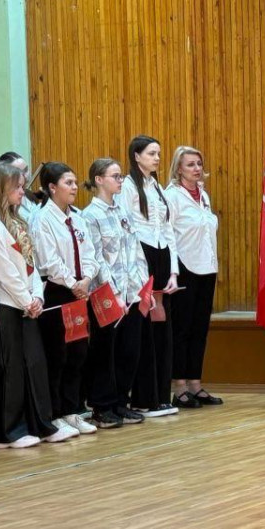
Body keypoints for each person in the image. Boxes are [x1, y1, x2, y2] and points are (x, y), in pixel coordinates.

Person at [0, 163, 74, 447]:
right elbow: (2, 268)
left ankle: (40, 423)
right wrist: (26, 299)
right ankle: (8, 431)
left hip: (27, 300)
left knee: (35, 364)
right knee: (11, 369)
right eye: (17, 187)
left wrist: (37, 296)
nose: (22, 191)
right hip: (6, 302)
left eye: (22, 186)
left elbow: (31, 262)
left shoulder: (17, 219)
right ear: (0, 188)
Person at [31, 162, 102, 435]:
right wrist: (74, 284)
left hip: (79, 291)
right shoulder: (42, 219)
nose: (74, 187)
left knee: (78, 352)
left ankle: (72, 411)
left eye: (74, 182)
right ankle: (55, 413)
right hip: (57, 292)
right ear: (52, 187)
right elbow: (49, 261)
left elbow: (90, 253)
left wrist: (87, 279)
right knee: (57, 354)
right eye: (68, 183)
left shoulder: (78, 217)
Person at [82, 158, 150, 427]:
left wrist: (142, 285)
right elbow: (96, 257)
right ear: (99, 180)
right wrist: (114, 293)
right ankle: (102, 406)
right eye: (115, 176)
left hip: (131, 293)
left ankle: (121, 401)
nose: (120, 181)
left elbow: (135, 248)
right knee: (105, 351)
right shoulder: (90, 215)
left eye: (121, 176)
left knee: (128, 350)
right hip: (107, 295)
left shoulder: (122, 211)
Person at [121, 135, 180, 417]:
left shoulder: (156, 186)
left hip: (161, 256)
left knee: (161, 327)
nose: (157, 158)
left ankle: (160, 395)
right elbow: (127, 230)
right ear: (136, 156)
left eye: (158, 153)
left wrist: (173, 271)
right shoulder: (128, 186)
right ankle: (143, 398)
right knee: (143, 329)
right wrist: (139, 271)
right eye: (151, 153)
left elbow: (168, 230)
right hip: (140, 257)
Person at [165, 146, 222, 408]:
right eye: (190, 164)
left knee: (200, 328)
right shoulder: (172, 196)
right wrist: (173, 271)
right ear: (179, 168)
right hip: (185, 267)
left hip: (207, 267)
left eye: (199, 163)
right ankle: (179, 386)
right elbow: (168, 235)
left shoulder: (203, 195)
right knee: (182, 329)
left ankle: (195, 383)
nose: (197, 169)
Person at [0, 151, 42, 222]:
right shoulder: (5, 203)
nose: (25, 176)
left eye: (26, 170)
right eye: (19, 172)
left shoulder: (29, 194)